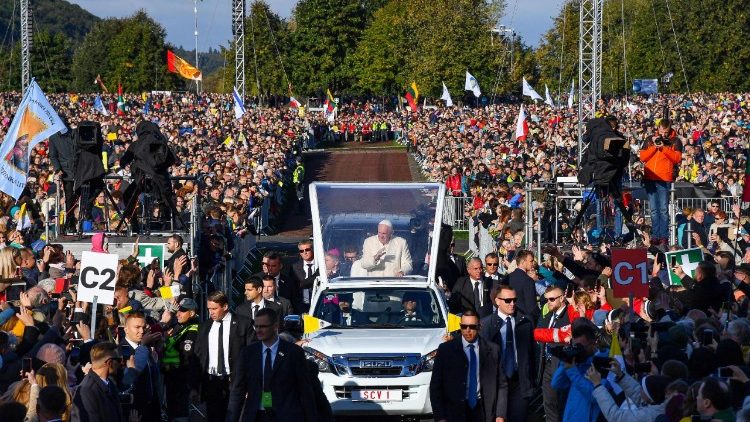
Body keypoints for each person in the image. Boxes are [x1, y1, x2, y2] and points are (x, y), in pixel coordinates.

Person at [226, 308, 317, 422]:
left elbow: (305, 390)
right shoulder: (248, 353)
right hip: (256, 416)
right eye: (256, 326)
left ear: (275, 326)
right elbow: (238, 390)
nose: (258, 330)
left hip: (286, 416)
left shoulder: (293, 352)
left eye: (263, 326)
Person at [429, 310, 508, 422]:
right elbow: (436, 386)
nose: (468, 330)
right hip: (454, 411)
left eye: (472, 326)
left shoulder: (493, 350)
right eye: (464, 326)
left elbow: (501, 384)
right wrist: (440, 416)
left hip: (483, 410)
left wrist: (500, 414)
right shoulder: (446, 350)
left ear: (480, 327)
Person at [194, 291, 253, 422]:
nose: (211, 312)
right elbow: (198, 355)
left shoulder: (244, 323)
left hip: (234, 381)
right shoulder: (205, 327)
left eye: (214, 309)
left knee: (232, 417)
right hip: (212, 382)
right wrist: (195, 385)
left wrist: (249, 384)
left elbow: (251, 356)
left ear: (225, 306)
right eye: (209, 309)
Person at [480, 285, 535, 422]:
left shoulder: (525, 322)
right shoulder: (486, 325)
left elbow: (532, 352)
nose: (512, 304)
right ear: (497, 301)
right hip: (496, 381)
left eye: (514, 300)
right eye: (508, 300)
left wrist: (532, 379)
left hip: (519, 381)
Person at [551, 319, 607, 422]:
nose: (578, 349)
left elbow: (596, 396)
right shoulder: (577, 362)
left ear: (593, 343)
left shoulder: (603, 363)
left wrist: (573, 372)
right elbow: (556, 383)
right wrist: (566, 359)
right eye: (576, 346)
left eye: (581, 346)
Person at [639, 118, 682, 245]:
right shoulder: (649, 139)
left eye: (666, 132)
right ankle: (655, 235)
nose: (663, 134)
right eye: (661, 131)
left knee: (663, 209)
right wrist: (654, 147)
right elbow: (642, 157)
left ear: (669, 130)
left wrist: (664, 148)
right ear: (658, 129)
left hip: (664, 178)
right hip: (650, 177)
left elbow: (677, 159)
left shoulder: (675, 141)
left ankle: (664, 236)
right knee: (653, 209)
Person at [162, 298, 200, 422]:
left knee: (180, 416)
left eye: (183, 311)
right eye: (178, 310)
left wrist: (192, 386)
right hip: (171, 378)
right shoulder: (178, 325)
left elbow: (187, 358)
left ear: (192, 313)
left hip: (181, 381)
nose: (178, 314)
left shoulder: (193, 330)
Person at [119, 311, 161, 422]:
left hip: (151, 409)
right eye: (137, 327)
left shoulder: (145, 348)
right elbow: (130, 378)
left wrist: (154, 362)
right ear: (126, 329)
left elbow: (153, 379)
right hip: (135, 412)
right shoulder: (122, 350)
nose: (141, 331)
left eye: (143, 327)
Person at [537, 286, 570, 422]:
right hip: (547, 365)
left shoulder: (569, 316)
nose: (548, 302)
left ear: (562, 298)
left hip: (562, 365)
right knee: (549, 403)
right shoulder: (549, 315)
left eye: (551, 299)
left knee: (561, 404)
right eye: (546, 299)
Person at [71, 342, 126, 422]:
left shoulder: (110, 384)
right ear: (109, 363)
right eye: (118, 360)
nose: (121, 363)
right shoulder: (87, 391)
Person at [506, 250, 541, 324]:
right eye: (531, 261)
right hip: (525, 321)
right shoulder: (528, 281)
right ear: (523, 262)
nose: (533, 263)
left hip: (509, 319)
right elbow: (531, 307)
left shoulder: (507, 278)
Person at [291, 239, 318, 312]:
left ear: (312, 249)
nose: (305, 252)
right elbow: (294, 290)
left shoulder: (321, 265)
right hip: (302, 306)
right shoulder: (294, 267)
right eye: (301, 251)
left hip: (319, 304)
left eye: (307, 250)